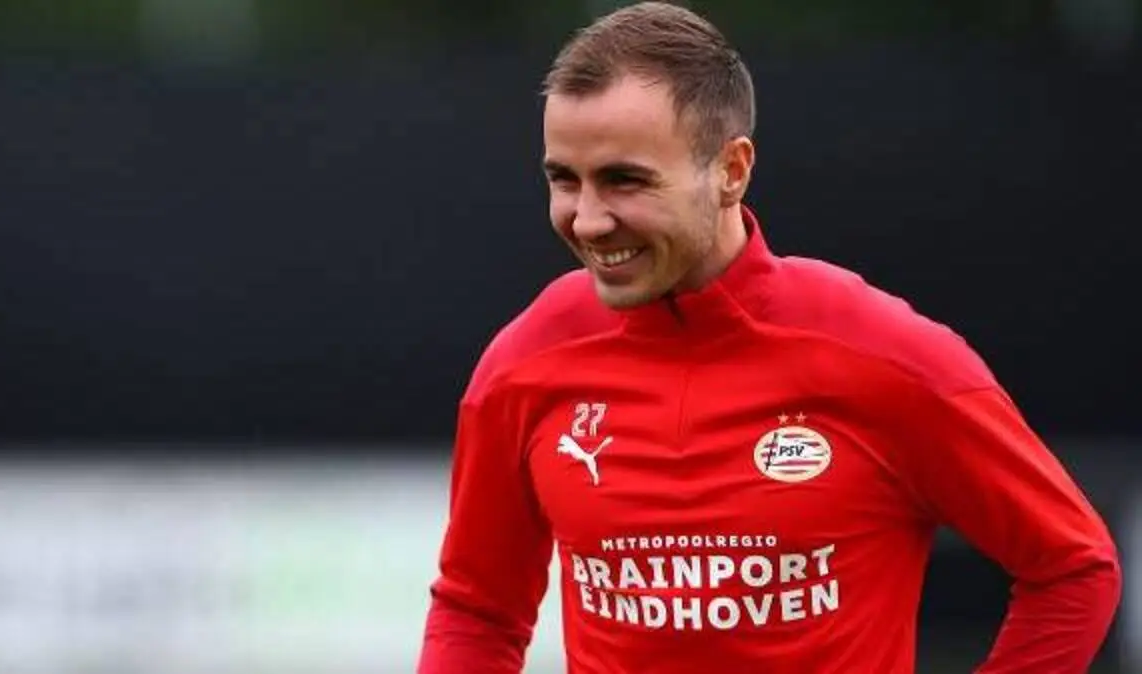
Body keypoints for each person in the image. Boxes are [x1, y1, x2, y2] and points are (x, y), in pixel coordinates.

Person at [416, 2, 1122, 672]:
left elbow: (1073, 566)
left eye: (625, 181)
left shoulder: (886, 356)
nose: (589, 219)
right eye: (564, 180)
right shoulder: (525, 362)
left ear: (731, 171)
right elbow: (478, 610)